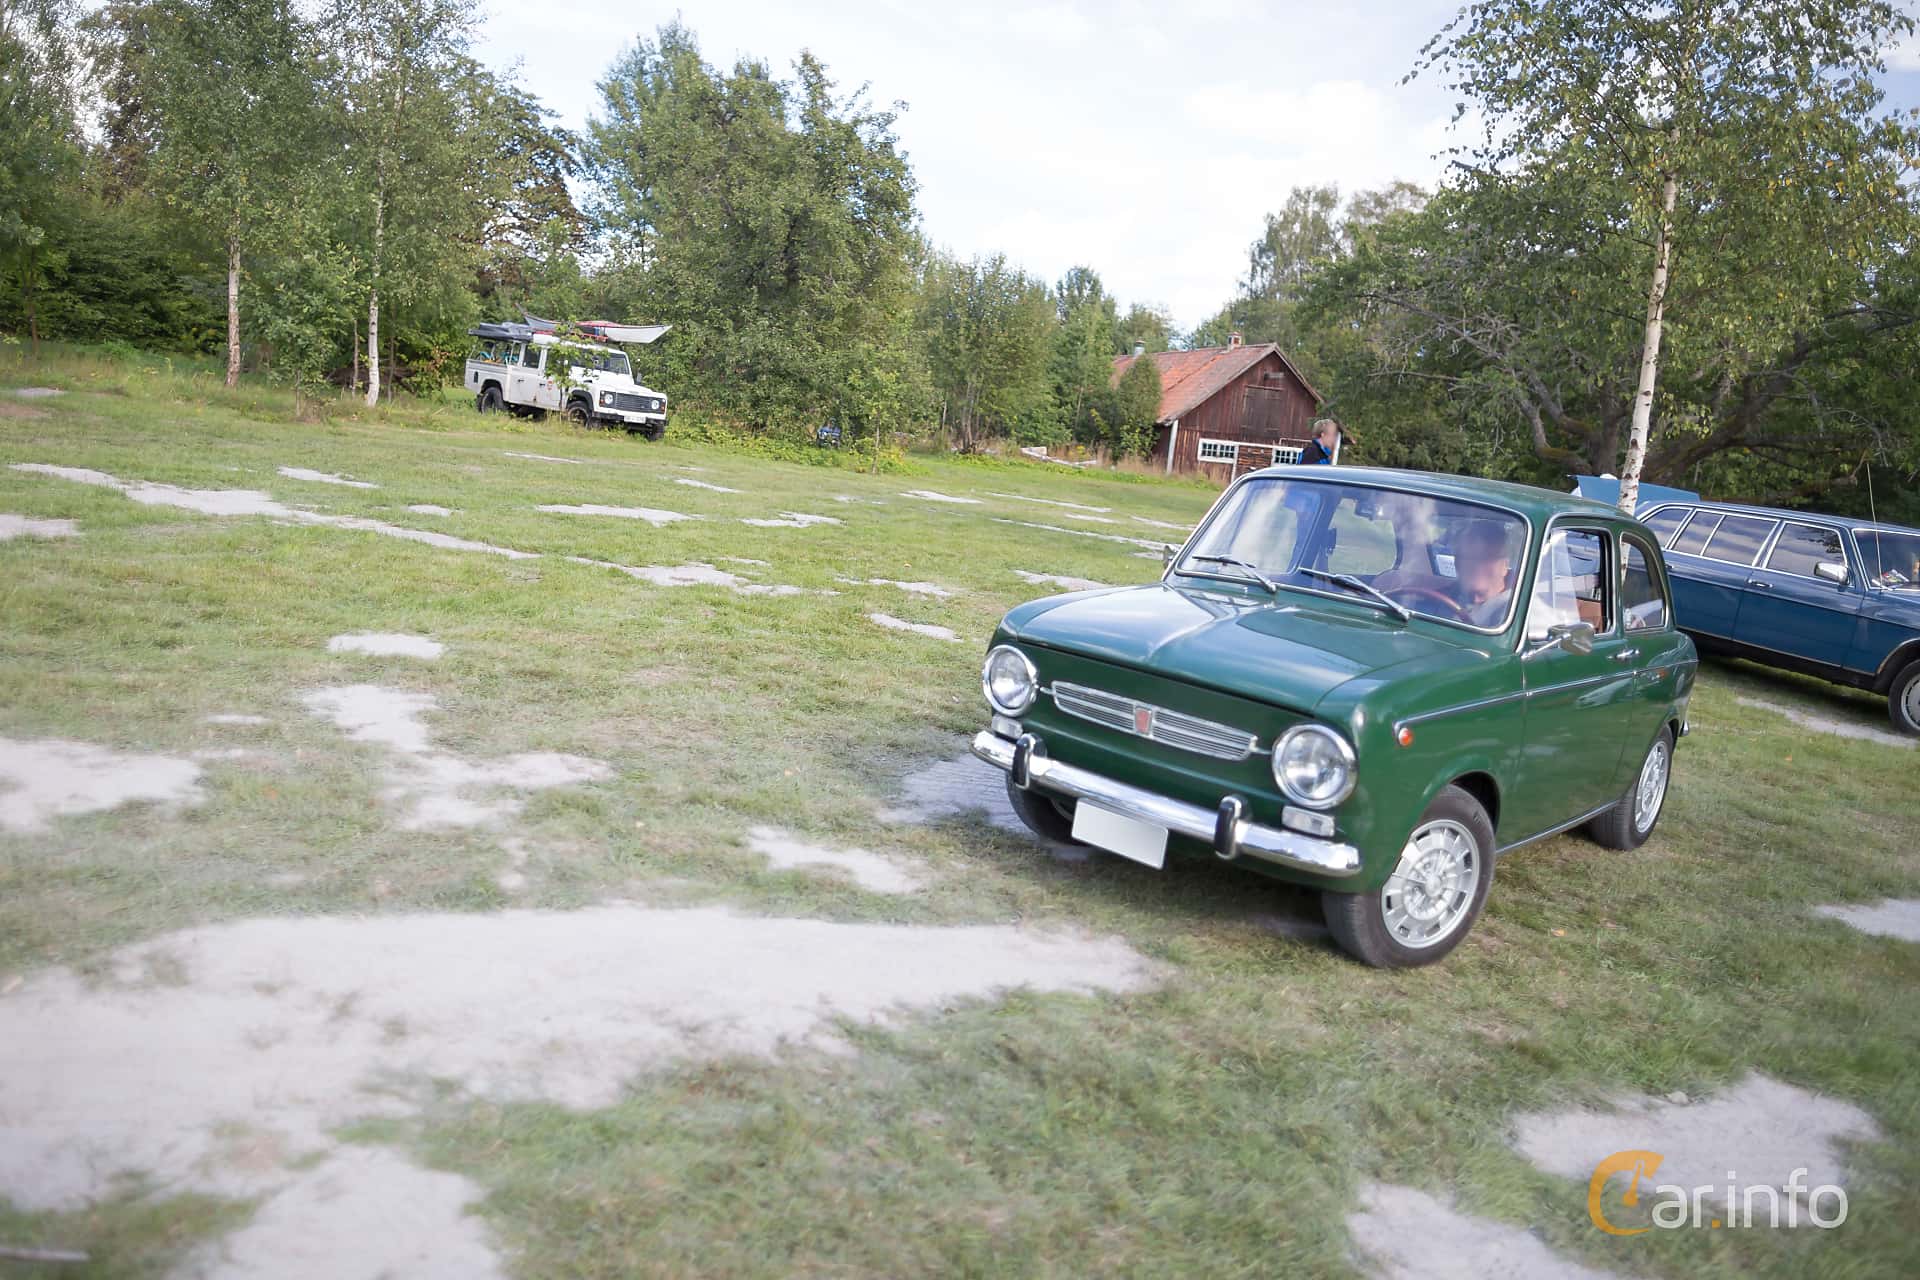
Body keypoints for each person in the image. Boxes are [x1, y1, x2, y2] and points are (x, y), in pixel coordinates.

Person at [1452, 520, 1513, 626]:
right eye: (1467, 558)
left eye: (1486, 557)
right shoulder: (1448, 594)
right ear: (1457, 565)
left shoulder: (1513, 609)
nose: (1476, 566)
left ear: (1505, 565)